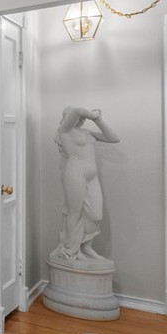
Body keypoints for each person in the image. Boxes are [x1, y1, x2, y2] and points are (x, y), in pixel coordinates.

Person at [52, 106, 120, 263]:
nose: (83, 119)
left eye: (85, 117)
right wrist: (92, 114)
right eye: (81, 117)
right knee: (75, 212)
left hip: (92, 175)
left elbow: (114, 138)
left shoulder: (87, 133)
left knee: (96, 214)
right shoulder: (64, 130)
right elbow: (76, 111)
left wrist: (98, 119)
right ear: (67, 117)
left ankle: (86, 246)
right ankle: (70, 250)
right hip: (74, 172)